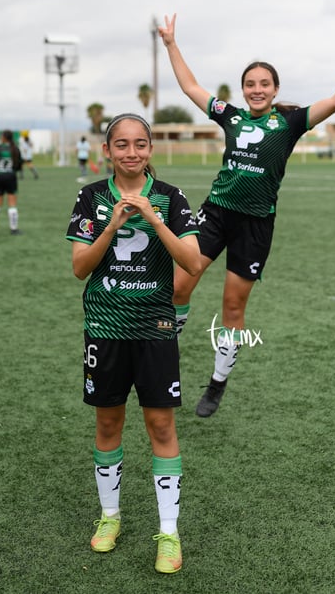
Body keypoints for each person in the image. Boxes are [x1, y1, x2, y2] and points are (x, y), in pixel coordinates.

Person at [159, 14, 335, 418]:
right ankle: (163, 365)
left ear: (275, 89)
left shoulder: (289, 122)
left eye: (264, 84)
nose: (257, 89)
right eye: (250, 84)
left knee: (233, 308)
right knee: (178, 288)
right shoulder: (229, 115)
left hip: (255, 224)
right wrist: (170, 44)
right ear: (244, 89)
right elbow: (191, 87)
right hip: (215, 214)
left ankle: (216, 384)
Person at [66, 113, 200, 573]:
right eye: (121, 145)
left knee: (161, 428)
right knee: (108, 425)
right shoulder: (90, 197)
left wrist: (152, 219)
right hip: (104, 329)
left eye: (140, 144)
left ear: (150, 150)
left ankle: (169, 533)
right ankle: (110, 517)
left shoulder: (170, 197)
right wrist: (113, 223)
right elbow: (80, 268)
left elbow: (193, 262)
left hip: (155, 329)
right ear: (107, 151)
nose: (131, 152)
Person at [0, 129, 23, 235]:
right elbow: (19, 166)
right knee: (12, 203)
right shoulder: (15, 149)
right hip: (11, 177)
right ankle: (14, 229)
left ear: (4, 137)